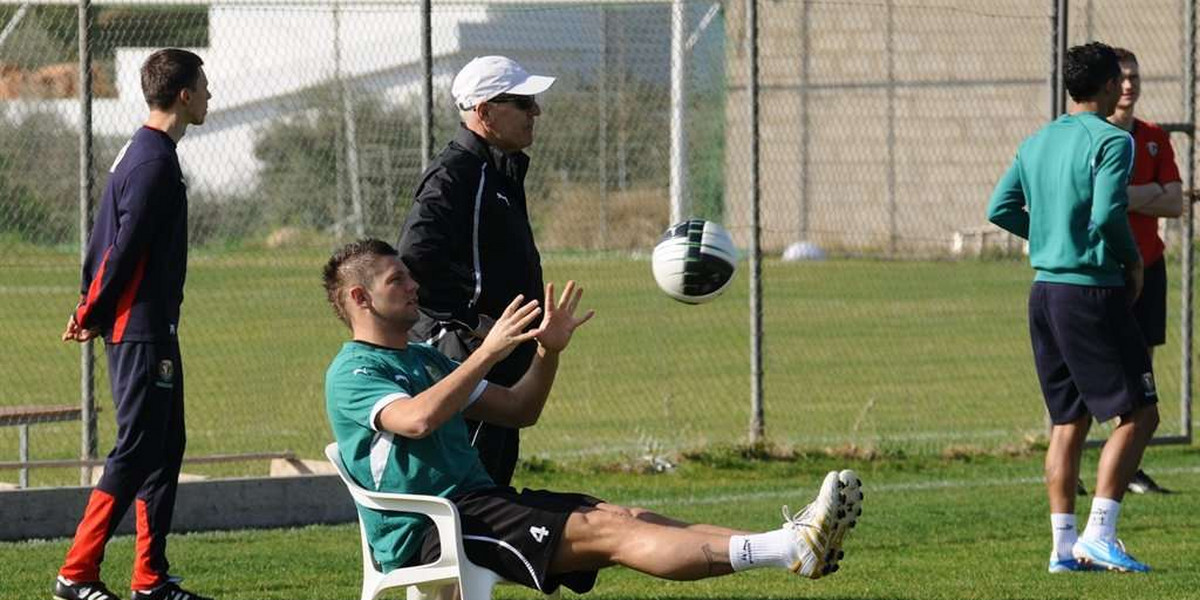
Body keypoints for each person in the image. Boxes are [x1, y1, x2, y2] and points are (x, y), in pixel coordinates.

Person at [322, 239, 865, 595]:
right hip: (430, 525)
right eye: (398, 280)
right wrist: (486, 352)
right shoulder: (354, 371)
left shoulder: (422, 359)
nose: (414, 285)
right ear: (360, 297)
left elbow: (519, 410)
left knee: (631, 517)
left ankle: (790, 543)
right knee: (609, 531)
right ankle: (789, 548)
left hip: (477, 505)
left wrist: (547, 352)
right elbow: (415, 421)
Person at [987, 42, 1160, 574]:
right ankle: (1100, 535)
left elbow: (1000, 207)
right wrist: (1131, 264)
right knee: (1140, 413)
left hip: (1044, 292)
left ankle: (1063, 548)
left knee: (1069, 420)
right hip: (1091, 290)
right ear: (1109, 86)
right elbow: (1110, 213)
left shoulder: (1037, 141)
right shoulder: (1112, 140)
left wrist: (1046, 236)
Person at [55, 49, 213, 600]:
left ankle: (150, 579)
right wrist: (90, 310)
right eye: (205, 86)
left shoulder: (146, 152)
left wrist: (89, 304)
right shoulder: (153, 161)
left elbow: (108, 238)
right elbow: (121, 249)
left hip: (153, 327)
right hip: (139, 328)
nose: (211, 96)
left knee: (164, 447)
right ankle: (76, 573)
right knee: (136, 448)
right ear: (185, 95)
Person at [398, 55, 554, 487]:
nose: (535, 111)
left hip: (500, 356)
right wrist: (470, 324)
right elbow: (413, 257)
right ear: (485, 112)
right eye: (523, 103)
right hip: (470, 355)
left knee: (494, 481)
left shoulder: (494, 169)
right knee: (474, 486)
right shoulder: (456, 174)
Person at [1106, 47, 1184, 495]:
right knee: (1094, 371)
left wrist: (1127, 194)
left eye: (1136, 75)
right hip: (1105, 272)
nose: (1130, 84)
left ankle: (1131, 468)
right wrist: (1150, 191)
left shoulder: (1153, 137)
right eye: (1122, 77)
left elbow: (1175, 202)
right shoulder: (1094, 136)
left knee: (1143, 371)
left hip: (1149, 265)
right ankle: (1079, 462)